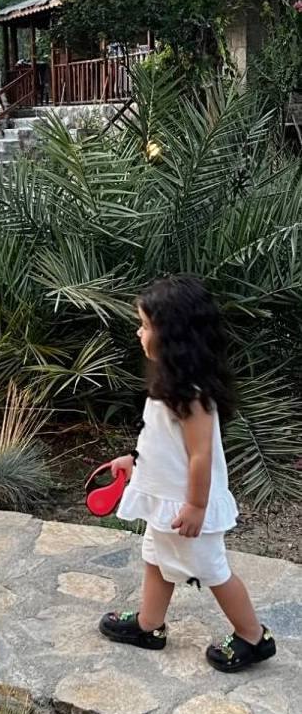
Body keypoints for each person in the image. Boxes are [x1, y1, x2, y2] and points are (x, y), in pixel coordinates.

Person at [99, 275, 276, 673]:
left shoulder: (193, 395)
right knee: (155, 558)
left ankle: (253, 636)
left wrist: (197, 505)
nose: (139, 332)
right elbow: (160, 442)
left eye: (146, 325)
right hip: (165, 502)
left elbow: (200, 455)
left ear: (174, 336)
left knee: (213, 570)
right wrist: (133, 460)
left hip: (186, 507)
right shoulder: (166, 384)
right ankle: (149, 624)